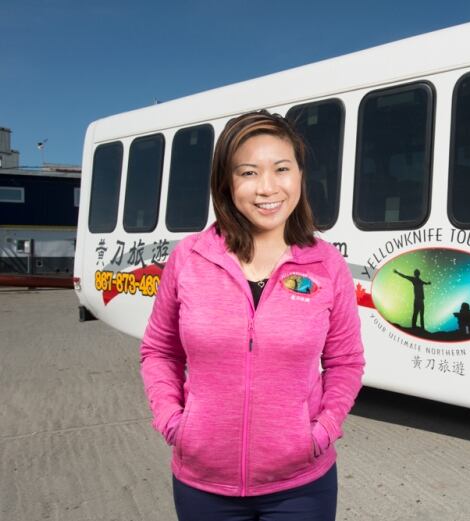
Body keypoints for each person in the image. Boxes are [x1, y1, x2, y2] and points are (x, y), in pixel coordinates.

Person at [139, 110, 365, 521]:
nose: (267, 188)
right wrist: (174, 422)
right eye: (248, 172)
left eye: (281, 169)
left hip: (301, 486)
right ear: (226, 182)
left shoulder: (325, 264)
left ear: (299, 175)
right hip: (203, 484)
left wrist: (323, 430)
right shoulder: (188, 259)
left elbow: (345, 361)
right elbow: (159, 351)